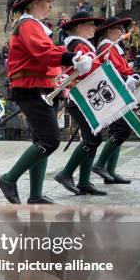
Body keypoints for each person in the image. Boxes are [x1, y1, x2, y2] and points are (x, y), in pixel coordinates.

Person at [0, 0, 92, 204]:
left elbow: (47, 60)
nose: (50, 6)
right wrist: (71, 58)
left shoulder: (35, 25)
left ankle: (35, 194)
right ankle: (9, 179)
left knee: (41, 140)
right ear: (34, 3)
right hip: (30, 87)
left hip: (42, 86)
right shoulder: (28, 24)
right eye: (47, 2)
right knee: (50, 140)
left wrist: (63, 83)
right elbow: (42, 52)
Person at [54, 11, 107, 196]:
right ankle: (66, 173)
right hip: (80, 95)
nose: (95, 27)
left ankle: (84, 181)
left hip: (87, 94)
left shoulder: (84, 45)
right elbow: (86, 70)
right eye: (91, 24)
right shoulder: (77, 45)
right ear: (78, 27)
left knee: (92, 137)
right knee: (93, 138)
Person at [92, 16, 138, 185]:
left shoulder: (111, 47)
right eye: (119, 29)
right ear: (110, 31)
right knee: (121, 131)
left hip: (120, 90)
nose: (122, 32)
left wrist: (137, 74)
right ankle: (100, 165)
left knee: (118, 132)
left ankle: (110, 172)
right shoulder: (106, 47)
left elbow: (123, 68)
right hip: (114, 92)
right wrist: (132, 75)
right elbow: (115, 70)